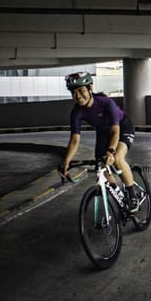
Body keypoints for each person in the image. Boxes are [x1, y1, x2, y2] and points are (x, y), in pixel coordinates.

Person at [60, 71, 140, 212]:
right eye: (73, 92)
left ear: (90, 89)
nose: (77, 96)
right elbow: (74, 140)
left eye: (81, 90)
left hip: (122, 127)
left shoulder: (105, 102)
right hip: (103, 132)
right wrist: (66, 162)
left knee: (117, 159)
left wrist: (110, 151)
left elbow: (115, 132)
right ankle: (120, 197)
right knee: (101, 168)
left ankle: (133, 196)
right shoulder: (77, 112)